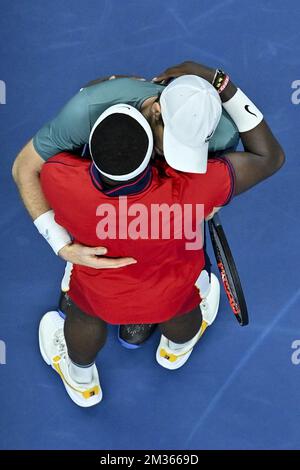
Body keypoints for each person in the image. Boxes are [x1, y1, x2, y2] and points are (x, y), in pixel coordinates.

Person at [37, 68, 284, 407]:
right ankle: (175, 350)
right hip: (170, 293)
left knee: (82, 316)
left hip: (97, 293)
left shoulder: (59, 179)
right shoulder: (197, 188)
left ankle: (81, 380)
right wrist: (224, 84)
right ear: (152, 158)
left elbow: (42, 166)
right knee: (185, 308)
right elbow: (270, 158)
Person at [12, 67, 239, 347]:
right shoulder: (85, 113)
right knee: (177, 288)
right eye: (168, 142)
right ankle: (168, 332)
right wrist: (61, 245)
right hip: (134, 211)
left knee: (90, 302)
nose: (169, 153)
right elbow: (24, 167)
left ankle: (125, 317)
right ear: (155, 112)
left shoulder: (222, 134)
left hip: (125, 220)